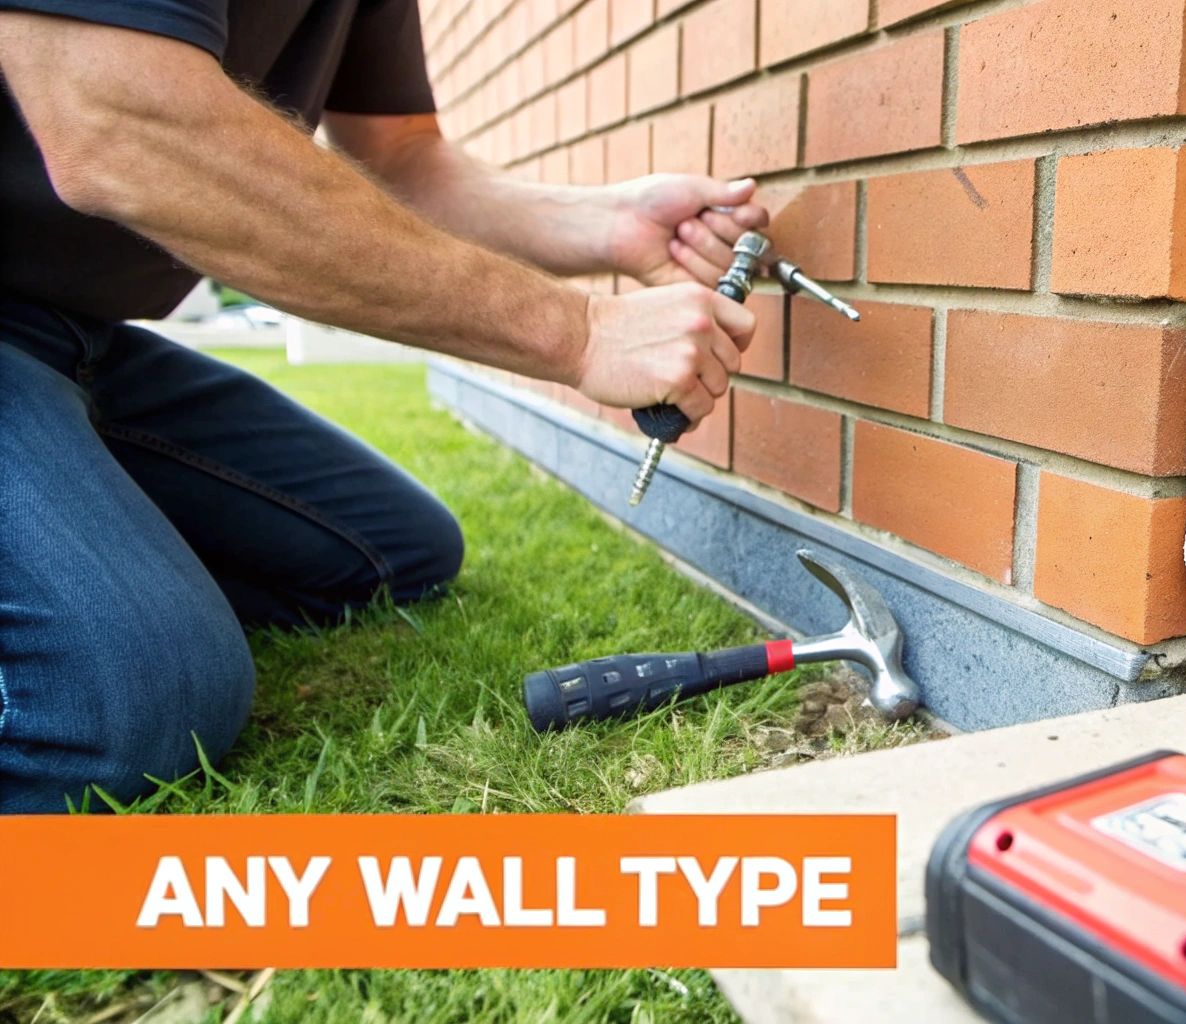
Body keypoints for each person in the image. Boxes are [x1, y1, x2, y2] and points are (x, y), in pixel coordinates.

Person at [0, 1, 766, 812]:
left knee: (391, 552)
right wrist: (577, 331)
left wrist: (611, 226)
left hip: (77, 338)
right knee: (126, 702)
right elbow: (122, 124)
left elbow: (403, 158)